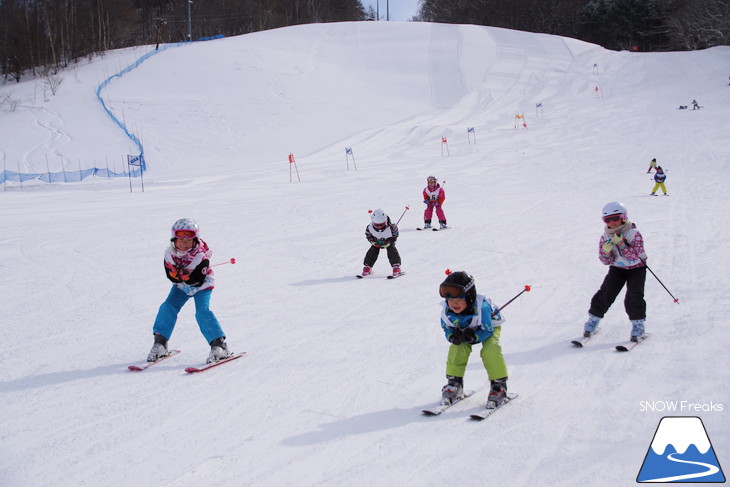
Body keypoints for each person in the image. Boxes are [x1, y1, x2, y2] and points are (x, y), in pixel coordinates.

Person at [147, 218, 231, 363]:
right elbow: (170, 276)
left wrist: (186, 275)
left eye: (188, 241)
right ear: (174, 240)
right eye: (180, 241)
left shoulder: (200, 256)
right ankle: (160, 342)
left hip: (202, 286)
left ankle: (219, 345)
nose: (184, 244)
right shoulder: (170, 254)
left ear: (195, 241)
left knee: (202, 312)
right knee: (168, 307)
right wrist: (175, 275)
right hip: (182, 287)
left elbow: (197, 280)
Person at [438, 271, 508, 407]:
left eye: (459, 300)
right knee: (457, 347)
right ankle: (454, 383)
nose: (454, 304)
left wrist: (474, 336)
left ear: (469, 297)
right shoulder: (446, 311)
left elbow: (488, 329)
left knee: (490, 349)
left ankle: (499, 385)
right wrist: (452, 336)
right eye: (451, 300)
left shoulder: (483, 308)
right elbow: (446, 327)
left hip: (488, 327)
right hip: (466, 328)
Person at [583, 202, 647, 342]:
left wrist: (622, 244)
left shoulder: (633, 233)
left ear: (623, 217)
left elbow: (636, 257)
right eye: (607, 220)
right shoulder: (605, 236)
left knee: (633, 297)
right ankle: (592, 322)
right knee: (605, 294)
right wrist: (606, 252)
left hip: (637, 269)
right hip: (617, 269)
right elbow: (605, 261)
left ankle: (638, 326)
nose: (612, 222)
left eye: (615, 218)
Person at [362, 209, 402, 277]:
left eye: (381, 224)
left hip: (388, 242)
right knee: (373, 250)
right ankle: (367, 267)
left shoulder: (392, 227)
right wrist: (373, 242)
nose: (379, 227)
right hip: (377, 242)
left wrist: (389, 242)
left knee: (391, 249)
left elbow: (395, 235)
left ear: (386, 222)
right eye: (377, 225)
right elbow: (368, 235)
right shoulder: (369, 227)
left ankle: (396, 267)